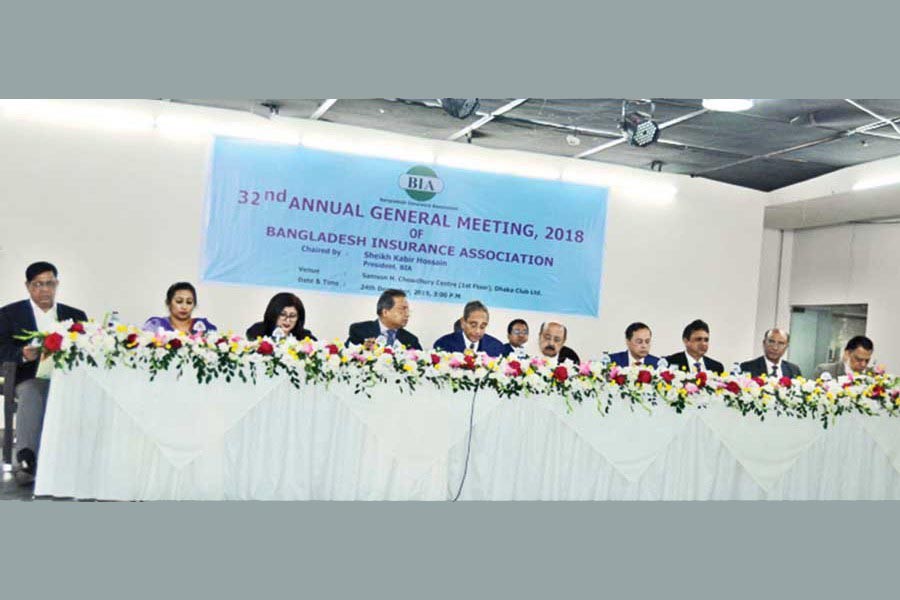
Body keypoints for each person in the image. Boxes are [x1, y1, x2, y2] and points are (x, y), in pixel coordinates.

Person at [0, 262, 88, 484]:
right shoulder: (9, 314)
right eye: (38, 284)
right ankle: (27, 459)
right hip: (27, 376)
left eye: (49, 283)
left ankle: (79, 460)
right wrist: (22, 354)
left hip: (67, 377)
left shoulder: (74, 315)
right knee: (33, 391)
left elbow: (87, 347)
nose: (45, 289)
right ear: (28, 286)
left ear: (57, 284)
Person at [346, 289, 422, 350]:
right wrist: (363, 350)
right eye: (402, 309)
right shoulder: (360, 330)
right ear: (385, 312)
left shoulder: (411, 340)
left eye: (408, 310)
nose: (407, 314)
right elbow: (346, 357)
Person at [433, 300, 505, 356]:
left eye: (482, 327)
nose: (478, 331)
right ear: (463, 322)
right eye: (473, 325)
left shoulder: (497, 348)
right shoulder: (444, 344)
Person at [142, 282, 216, 334]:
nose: (184, 307)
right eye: (179, 301)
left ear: (194, 305)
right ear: (168, 303)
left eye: (189, 302)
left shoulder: (203, 326)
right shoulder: (156, 325)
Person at [246, 292, 316, 341]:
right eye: (283, 315)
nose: (288, 320)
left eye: (292, 316)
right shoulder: (258, 331)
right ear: (273, 314)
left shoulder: (304, 337)